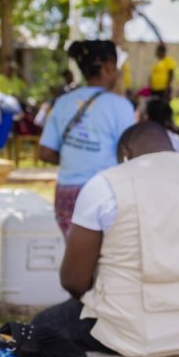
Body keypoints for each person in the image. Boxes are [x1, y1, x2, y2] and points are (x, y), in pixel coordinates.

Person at [28, 121, 179, 357]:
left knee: (39, 328)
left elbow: (73, 280)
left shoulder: (106, 185)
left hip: (129, 333)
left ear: (125, 154)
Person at [38, 40, 135, 236]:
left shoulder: (62, 102)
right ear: (108, 66)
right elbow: (130, 154)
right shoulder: (120, 106)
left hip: (65, 195)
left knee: (73, 251)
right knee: (105, 252)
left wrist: (77, 156)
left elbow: (45, 152)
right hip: (103, 194)